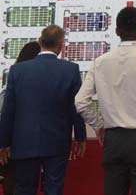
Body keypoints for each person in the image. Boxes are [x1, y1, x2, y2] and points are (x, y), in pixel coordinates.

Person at [75, 6, 136, 195]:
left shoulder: (100, 62)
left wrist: (99, 125)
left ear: (117, 31)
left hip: (113, 139)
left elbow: (80, 101)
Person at [0, 27, 86, 195]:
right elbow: (76, 107)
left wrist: (3, 143)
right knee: (53, 189)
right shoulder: (71, 70)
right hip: (57, 142)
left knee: (24, 189)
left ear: (40, 42)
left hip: (24, 142)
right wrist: (80, 136)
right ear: (61, 45)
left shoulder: (18, 70)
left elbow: (9, 111)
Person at [0, 41, 41, 195]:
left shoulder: (10, 86)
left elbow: (4, 116)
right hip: (27, 147)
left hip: (12, 146)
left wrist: (3, 143)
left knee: (13, 185)